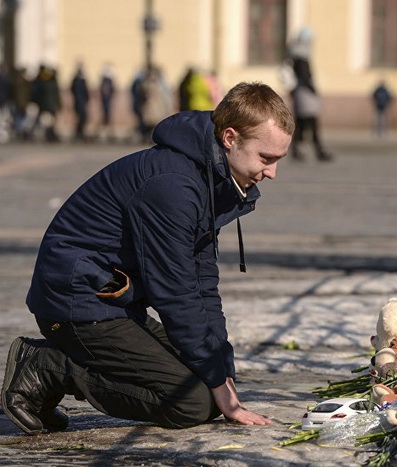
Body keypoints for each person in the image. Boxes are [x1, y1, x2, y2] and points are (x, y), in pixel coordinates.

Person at [1, 82, 295, 435]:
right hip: (76, 306)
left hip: (113, 302)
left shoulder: (210, 180)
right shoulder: (172, 186)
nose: (272, 173)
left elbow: (203, 282)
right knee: (192, 403)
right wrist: (217, 384)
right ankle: (50, 366)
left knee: (208, 376)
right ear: (230, 138)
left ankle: (61, 367)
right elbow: (175, 291)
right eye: (266, 159)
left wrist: (222, 369)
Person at [286, 27, 333, 161]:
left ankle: (298, 150)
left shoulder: (295, 55)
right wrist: (313, 89)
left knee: (302, 123)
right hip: (305, 94)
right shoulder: (301, 57)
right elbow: (305, 77)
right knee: (311, 122)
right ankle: (318, 150)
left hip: (300, 93)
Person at [70, 63, 90, 142]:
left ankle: (79, 132)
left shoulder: (81, 80)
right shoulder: (77, 80)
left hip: (81, 102)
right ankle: (79, 133)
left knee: (82, 118)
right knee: (81, 117)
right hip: (79, 102)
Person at [98, 63, 116, 139]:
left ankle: (107, 131)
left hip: (107, 101)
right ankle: (105, 131)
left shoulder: (107, 81)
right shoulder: (105, 80)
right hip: (105, 101)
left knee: (107, 115)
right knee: (105, 115)